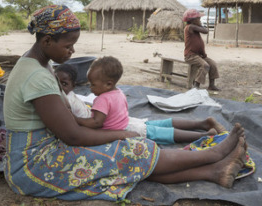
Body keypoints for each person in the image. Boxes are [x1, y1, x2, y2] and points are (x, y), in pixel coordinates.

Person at [3, 4, 248, 202]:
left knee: (126, 160)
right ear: (46, 41)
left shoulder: (38, 64)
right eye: (68, 46)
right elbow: (73, 137)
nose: (72, 51)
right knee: (133, 149)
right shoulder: (36, 76)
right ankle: (213, 154)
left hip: (45, 149)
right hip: (33, 165)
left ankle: (215, 171)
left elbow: (69, 124)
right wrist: (120, 135)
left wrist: (112, 133)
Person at [75, 56, 225, 144]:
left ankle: (203, 135)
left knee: (165, 133)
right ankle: (202, 123)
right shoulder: (118, 92)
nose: (90, 88)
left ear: (108, 84)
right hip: (129, 122)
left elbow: (96, 123)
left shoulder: (101, 100)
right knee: (164, 124)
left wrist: (78, 120)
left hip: (128, 129)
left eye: (93, 84)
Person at [183, 8, 220, 91]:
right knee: (205, 65)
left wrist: (203, 54)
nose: (199, 20)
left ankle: (211, 85)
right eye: (198, 18)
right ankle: (196, 86)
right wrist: (199, 24)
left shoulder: (194, 26)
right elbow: (206, 31)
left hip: (198, 55)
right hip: (190, 56)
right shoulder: (190, 27)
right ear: (192, 20)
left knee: (213, 64)